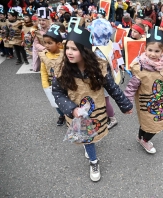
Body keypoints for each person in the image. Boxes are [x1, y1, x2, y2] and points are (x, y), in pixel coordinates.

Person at [52, 19, 133, 181]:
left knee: (91, 136)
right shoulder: (61, 69)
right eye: (67, 47)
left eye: (74, 49)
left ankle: (89, 149)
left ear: (85, 51)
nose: (68, 52)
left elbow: (112, 88)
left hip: (96, 110)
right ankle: (94, 162)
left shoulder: (99, 67)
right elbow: (58, 93)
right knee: (88, 139)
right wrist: (71, 108)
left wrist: (125, 105)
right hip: (77, 113)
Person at [124, 28, 163, 154]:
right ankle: (145, 140)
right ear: (145, 49)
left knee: (155, 122)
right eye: (150, 50)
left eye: (157, 51)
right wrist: (126, 104)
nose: (153, 54)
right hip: (146, 103)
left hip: (160, 102)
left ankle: (141, 137)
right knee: (150, 125)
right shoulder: (140, 67)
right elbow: (131, 88)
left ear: (162, 51)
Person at [38, 24, 65, 126]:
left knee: (67, 102)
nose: (46, 45)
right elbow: (43, 72)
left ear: (58, 44)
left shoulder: (65, 54)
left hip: (65, 84)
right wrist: (45, 85)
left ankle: (68, 116)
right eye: (45, 43)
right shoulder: (44, 56)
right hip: (51, 84)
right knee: (56, 104)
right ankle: (61, 115)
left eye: (50, 43)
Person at [32, 7, 51, 71]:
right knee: (44, 68)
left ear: (48, 20)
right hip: (43, 52)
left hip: (52, 51)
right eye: (39, 20)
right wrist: (44, 48)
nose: (41, 22)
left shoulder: (53, 29)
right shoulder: (37, 30)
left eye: (43, 20)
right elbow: (36, 43)